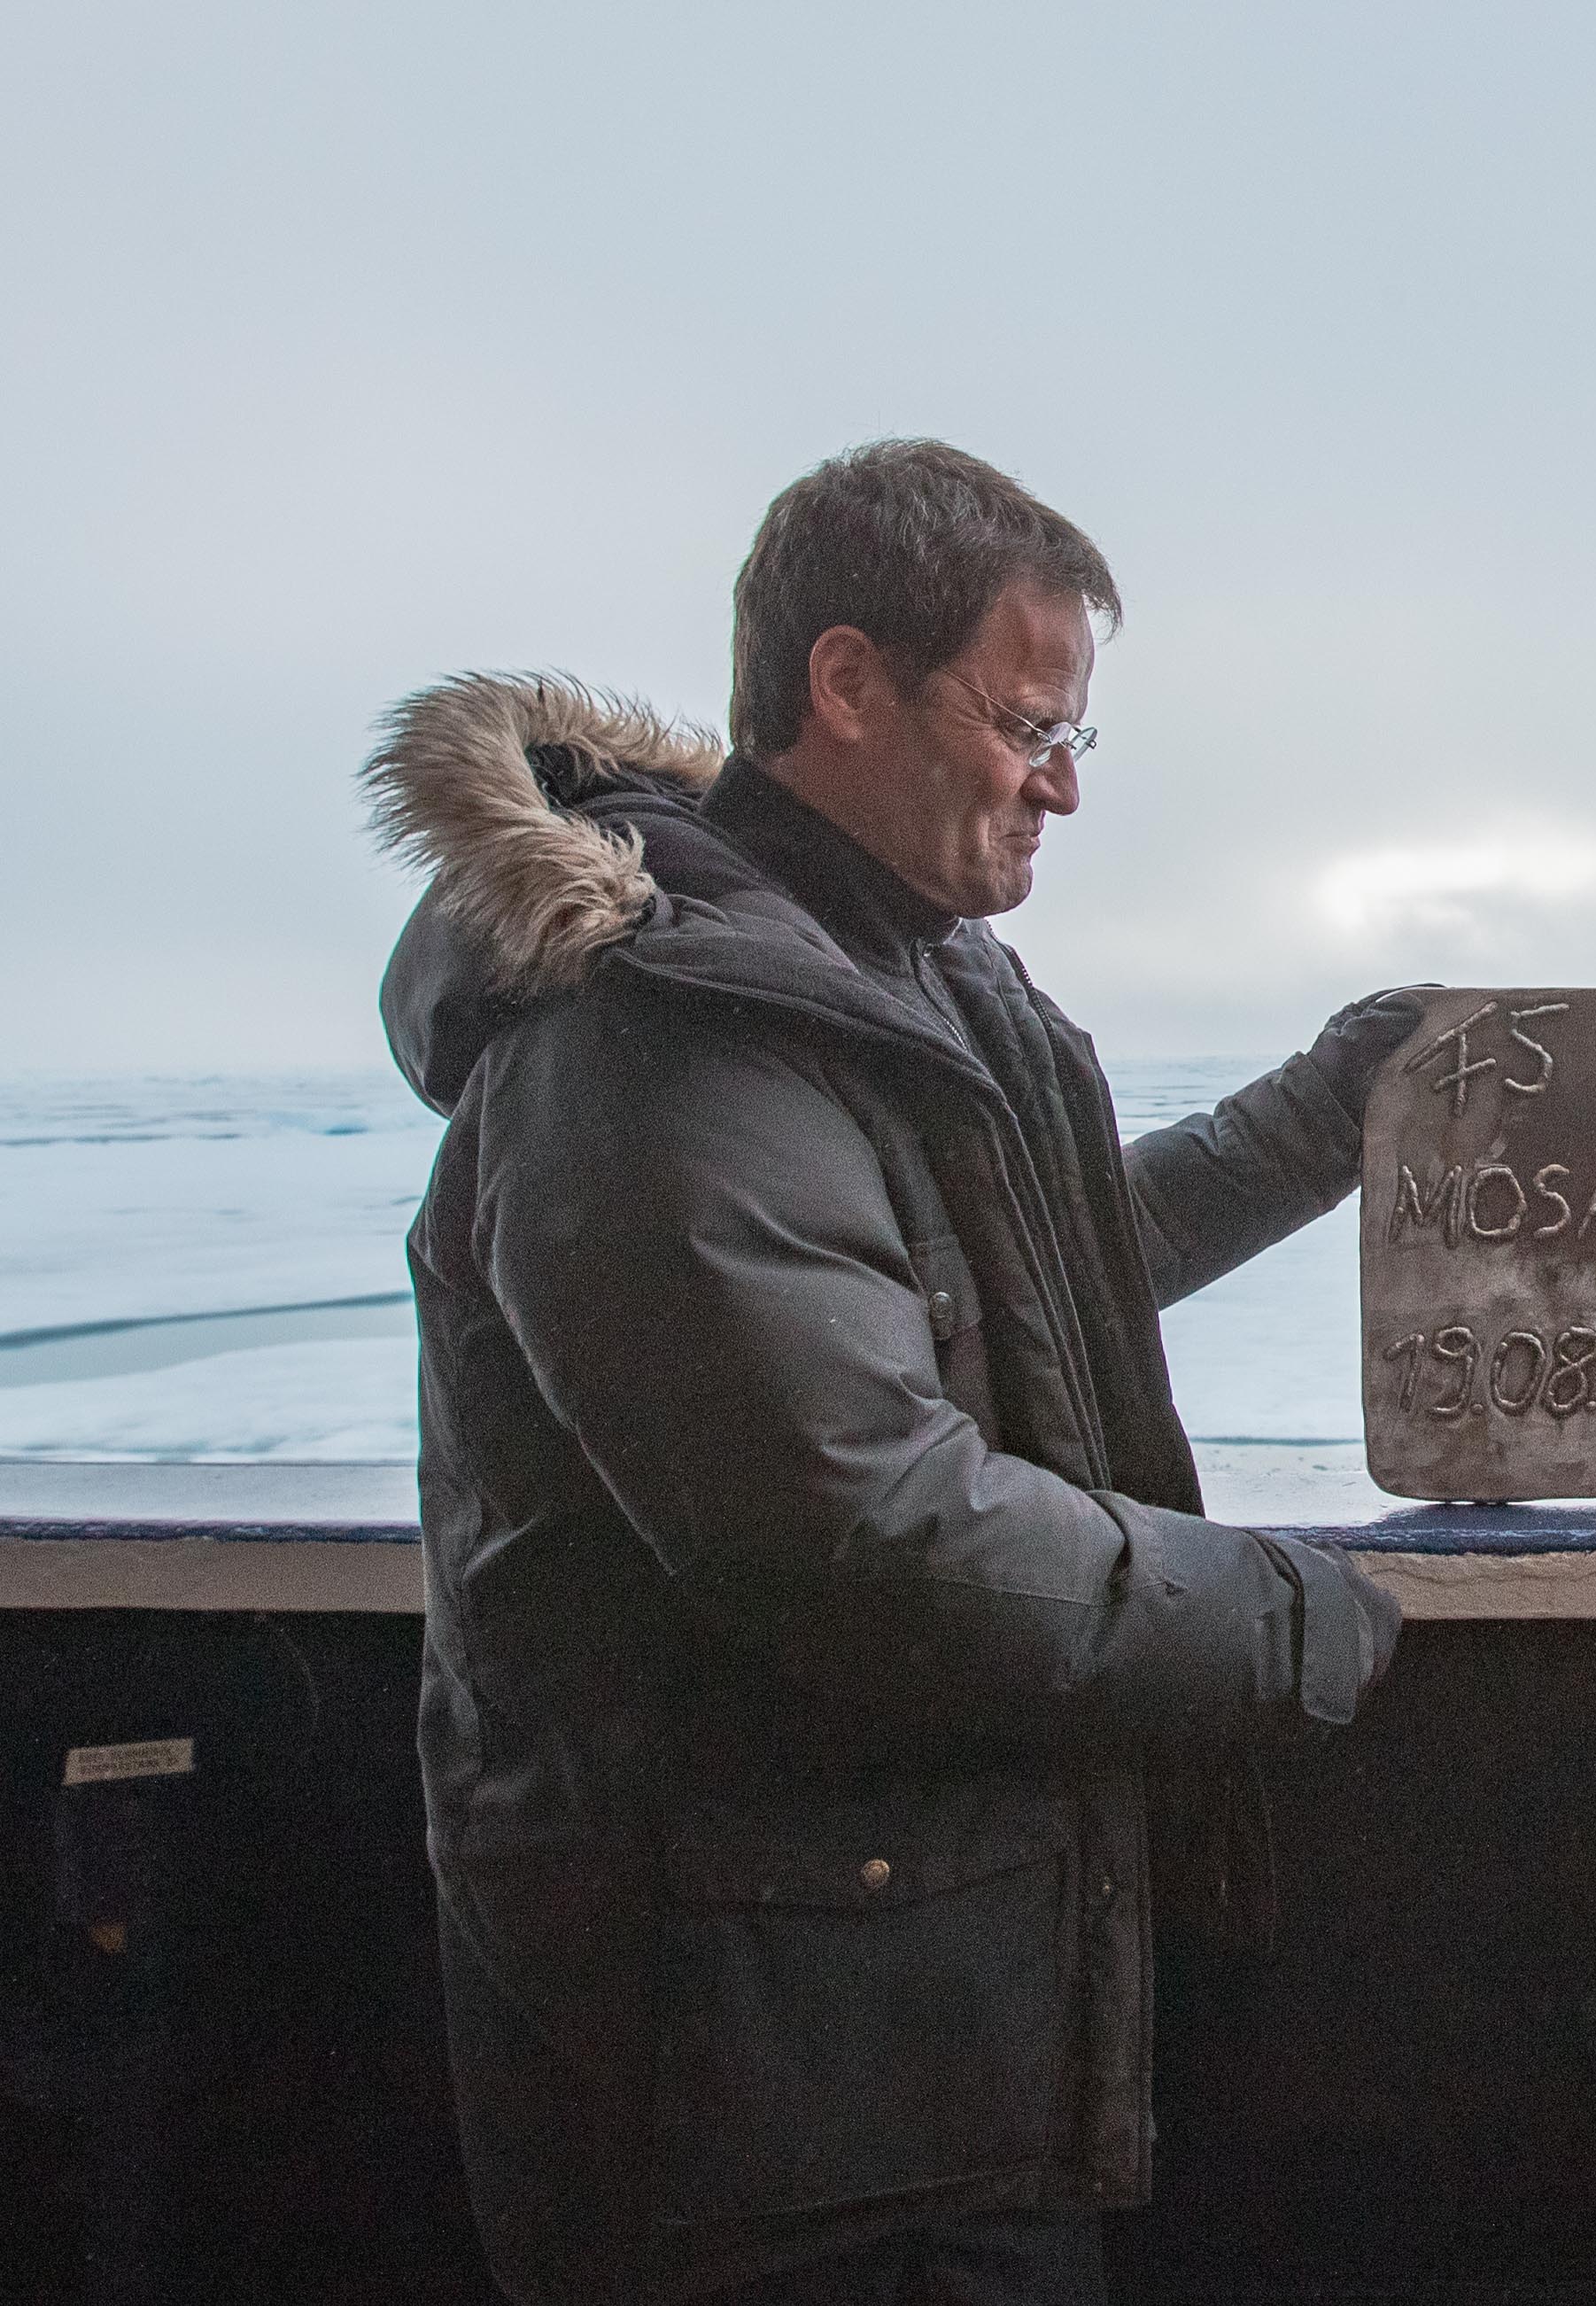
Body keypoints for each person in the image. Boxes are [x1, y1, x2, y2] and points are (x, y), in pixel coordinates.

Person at [366, 440, 1421, 2305]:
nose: (1066, 785)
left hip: (903, 2025)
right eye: (1029, 723)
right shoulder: (659, 1043)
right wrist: (1296, 1617)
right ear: (846, 683)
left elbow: (1035, 1282)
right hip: (753, 2107)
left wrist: (1337, 1110)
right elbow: (863, 1533)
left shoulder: (893, 977)